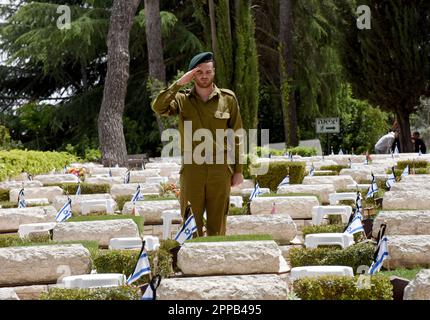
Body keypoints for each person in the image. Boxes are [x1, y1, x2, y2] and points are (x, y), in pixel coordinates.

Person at [151, 52, 244, 237]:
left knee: (218, 225)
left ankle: (215, 263)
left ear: (213, 72)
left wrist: (238, 170)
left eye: (208, 71)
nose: (204, 75)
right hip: (192, 168)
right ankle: (192, 262)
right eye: (199, 72)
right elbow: (158, 107)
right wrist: (179, 84)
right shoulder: (182, 99)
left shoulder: (228, 99)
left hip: (220, 169)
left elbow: (237, 135)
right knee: (191, 222)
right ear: (192, 74)